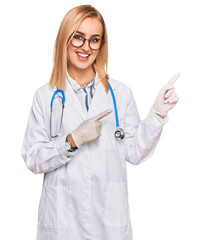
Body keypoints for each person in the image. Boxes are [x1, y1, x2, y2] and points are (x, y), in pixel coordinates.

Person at [21, 4, 179, 240]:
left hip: (109, 225)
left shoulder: (120, 94)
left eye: (95, 40)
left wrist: (157, 115)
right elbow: (33, 158)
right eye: (78, 37)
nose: (86, 47)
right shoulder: (45, 96)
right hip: (63, 225)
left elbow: (135, 153)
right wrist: (72, 140)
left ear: (102, 45)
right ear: (65, 38)